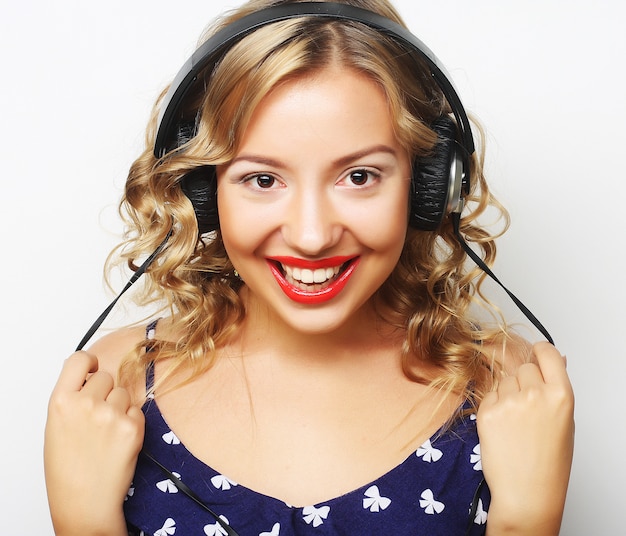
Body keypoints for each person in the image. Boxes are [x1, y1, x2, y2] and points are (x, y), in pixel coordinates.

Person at [44, 0, 574, 534]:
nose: (312, 236)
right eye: (263, 180)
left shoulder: (508, 388)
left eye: (361, 176)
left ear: (431, 185)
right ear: (201, 191)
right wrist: (83, 519)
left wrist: (527, 518)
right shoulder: (114, 385)